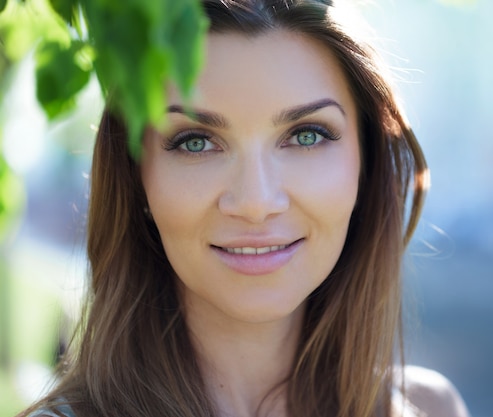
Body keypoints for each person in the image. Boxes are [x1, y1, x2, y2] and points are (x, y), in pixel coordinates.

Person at [20, 0, 470, 416]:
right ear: (138, 180)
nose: (256, 203)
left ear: (365, 163)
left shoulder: (429, 409)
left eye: (307, 135)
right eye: (196, 142)